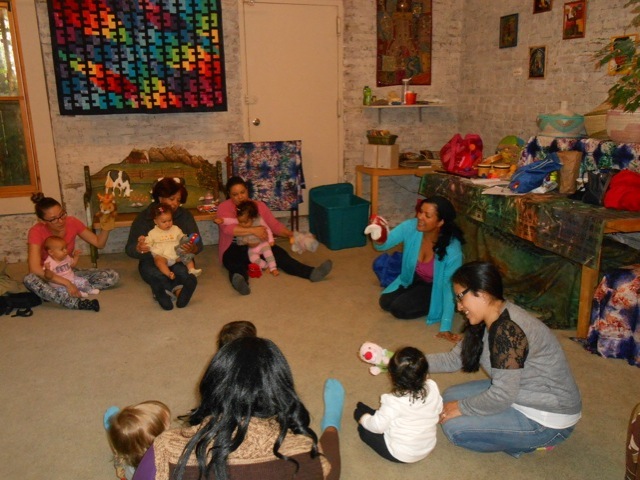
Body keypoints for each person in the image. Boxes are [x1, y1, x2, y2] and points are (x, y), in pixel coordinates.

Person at [428, 261, 582, 457]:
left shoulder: (507, 331)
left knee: (456, 430)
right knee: (450, 395)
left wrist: (462, 407)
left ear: (482, 293)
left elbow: (502, 395)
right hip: (519, 391)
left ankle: (531, 441)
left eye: (460, 297)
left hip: (547, 418)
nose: (458, 307)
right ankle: (506, 424)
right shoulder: (490, 317)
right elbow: (453, 360)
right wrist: (411, 362)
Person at [132, 337, 344, 480]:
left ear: (213, 385)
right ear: (281, 391)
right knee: (325, 463)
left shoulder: (168, 448)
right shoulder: (302, 450)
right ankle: (332, 424)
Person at [371, 195, 465, 343]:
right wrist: (378, 235)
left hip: (434, 287)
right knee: (385, 302)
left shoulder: (452, 249)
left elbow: (449, 287)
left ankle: (434, 304)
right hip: (413, 277)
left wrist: (446, 325)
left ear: (440, 222)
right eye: (420, 211)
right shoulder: (411, 226)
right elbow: (382, 246)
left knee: (398, 309)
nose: (420, 217)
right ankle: (413, 293)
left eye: (427, 215)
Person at [216, 176, 332, 295]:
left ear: (247, 190)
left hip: (259, 245)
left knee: (281, 256)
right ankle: (241, 282)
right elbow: (228, 229)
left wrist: (291, 234)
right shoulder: (223, 207)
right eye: (235, 194)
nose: (240, 197)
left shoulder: (258, 206)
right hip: (235, 247)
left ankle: (312, 273)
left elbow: (274, 225)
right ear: (229, 194)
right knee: (232, 262)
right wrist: (254, 230)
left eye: (242, 192)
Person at [23, 193, 119, 312]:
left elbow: (99, 243)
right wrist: (67, 283)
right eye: (53, 219)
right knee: (29, 279)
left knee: (111, 276)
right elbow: (34, 269)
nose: (60, 221)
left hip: (67, 271)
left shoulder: (72, 222)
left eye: (62, 214)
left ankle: (53, 293)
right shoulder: (36, 231)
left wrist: (106, 227)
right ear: (42, 221)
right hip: (48, 276)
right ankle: (75, 302)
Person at [354, 346, 442, 463]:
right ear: (425, 374)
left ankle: (364, 416)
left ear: (392, 377)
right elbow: (439, 408)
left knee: (363, 428)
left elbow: (378, 428)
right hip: (427, 445)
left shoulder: (394, 401)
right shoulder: (432, 386)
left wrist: (363, 420)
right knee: (386, 416)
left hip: (402, 454)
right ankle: (372, 415)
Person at [125, 178, 201, 310]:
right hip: (154, 259)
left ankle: (171, 292)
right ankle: (171, 291)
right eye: (172, 199)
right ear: (160, 198)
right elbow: (129, 248)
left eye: (178, 200)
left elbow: (198, 243)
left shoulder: (185, 216)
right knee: (153, 272)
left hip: (177, 256)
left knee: (182, 269)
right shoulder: (144, 217)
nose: (175, 203)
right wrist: (139, 248)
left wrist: (192, 247)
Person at [103, 401, 171, 480]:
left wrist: (118, 466)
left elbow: (119, 456)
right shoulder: (157, 462)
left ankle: (116, 429)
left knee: (123, 442)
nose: (170, 426)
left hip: (128, 462)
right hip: (135, 474)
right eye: (167, 427)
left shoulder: (132, 451)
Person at [218, 199, 279, 276]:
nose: (242, 224)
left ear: (253, 218)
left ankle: (273, 268)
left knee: (269, 255)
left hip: (262, 243)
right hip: (252, 248)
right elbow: (231, 221)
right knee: (253, 259)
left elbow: (267, 229)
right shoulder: (242, 220)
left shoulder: (259, 220)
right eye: (240, 222)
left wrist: (271, 240)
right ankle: (266, 266)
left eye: (245, 222)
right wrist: (222, 220)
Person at [144, 203, 202, 280]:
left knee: (187, 254)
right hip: (162, 255)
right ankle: (169, 274)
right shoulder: (153, 233)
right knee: (158, 261)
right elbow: (148, 242)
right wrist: (144, 244)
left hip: (176, 253)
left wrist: (187, 239)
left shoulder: (175, 228)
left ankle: (192, 269)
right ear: (156, 221)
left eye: (170, 220)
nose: (168, 224)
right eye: (164, 222)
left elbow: (181, 236)